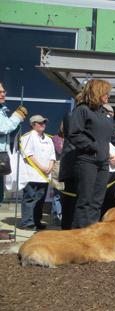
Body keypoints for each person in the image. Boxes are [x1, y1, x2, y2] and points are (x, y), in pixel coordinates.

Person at [68, 79, 115, 228]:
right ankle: (80, 234)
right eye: (105, 92)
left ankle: (92, 233)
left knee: (97, 201)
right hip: (87, 161)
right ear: (97, 92)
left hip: (103, 163)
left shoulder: (104, 114)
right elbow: (74, 134)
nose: (108, 96)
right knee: (85, 200)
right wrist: (94, 146)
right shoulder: (82, 110)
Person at [0, 82, 27, 238]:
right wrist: (17, 116)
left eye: (4, 91)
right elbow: (3, 128)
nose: (3, 94)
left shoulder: (2, 110)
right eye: (0, 92)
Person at [19, 115, 55, 230]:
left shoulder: (48, 139)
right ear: (33, 124)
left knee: (40, 200)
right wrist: (41, 168)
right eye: (40, 123)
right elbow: (28, 155)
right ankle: (27, 223)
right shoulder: (28, 136)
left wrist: (49, 167)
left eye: (44, 122)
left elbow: (52, 156)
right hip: (32, 174)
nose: (43, 124)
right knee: (30, 198)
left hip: (44, 175)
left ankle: (36, 221)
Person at [51, 122, 65, 224]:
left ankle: (64, 215)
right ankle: (57, 215)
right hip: (58, 168)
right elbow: (59, 151)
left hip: (70, 168)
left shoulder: (73, 138)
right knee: (57, 194)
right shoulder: (55, 138)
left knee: (66, 194)